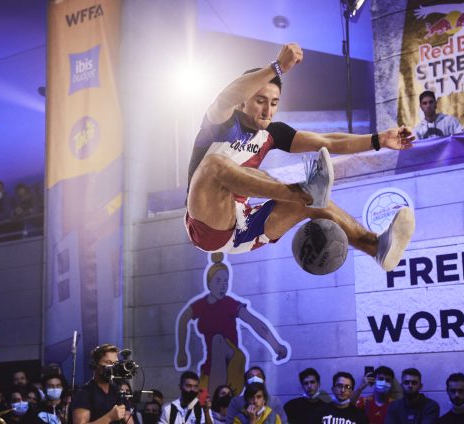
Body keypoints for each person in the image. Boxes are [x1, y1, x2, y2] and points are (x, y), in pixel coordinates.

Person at [185, 42, 415, 272]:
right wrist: (276, 67)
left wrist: (379, 140)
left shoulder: (273, 133)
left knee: (314, 204)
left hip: (245, 227)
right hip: (208, 225)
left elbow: (328, 141)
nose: (267, 111)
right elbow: (226, 97)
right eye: (260, 101)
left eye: (274, 103)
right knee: (214, 165)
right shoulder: (219, 122)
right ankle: (301, 191)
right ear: (242, 101)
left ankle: (375, 246)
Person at [176, 253, 288, 395]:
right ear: (209, 282)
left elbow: (255, 323)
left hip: (233, 360)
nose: (222, 286)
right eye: (218, 281)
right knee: (201, 399)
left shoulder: (229, 304)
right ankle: (211, 406)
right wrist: (181, 351)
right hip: (211, 367)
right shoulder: (200, 306)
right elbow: (183, 319)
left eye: (225, 281)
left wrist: (276, 345)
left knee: (218, 340)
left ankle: (216, 400)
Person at [70, 344, 127, 424]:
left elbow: (128, 419)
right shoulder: (84, 393)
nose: (112, 367)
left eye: (115, 364)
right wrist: (109, 417)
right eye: (108, 362)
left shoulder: (117, 391)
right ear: (95, 364)